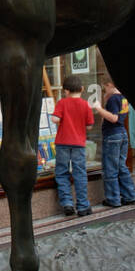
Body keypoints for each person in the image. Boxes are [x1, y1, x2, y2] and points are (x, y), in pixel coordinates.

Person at [51, 75, 96, 216]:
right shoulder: (85, 105)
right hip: (79, 144)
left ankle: (67, 203)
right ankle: (83, 206)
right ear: (82, 89)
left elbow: (54, 119)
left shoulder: (62, 103)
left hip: (62, 143)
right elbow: (89, 126)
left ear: (65, 91)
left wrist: (59, 119)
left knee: (62, 173)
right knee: (80, 174)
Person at [93, 78, 135, 208]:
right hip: (122, 133)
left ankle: (113, 198)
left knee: (110, 168)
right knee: (121, 166)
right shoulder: (123, 98)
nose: (104, 90)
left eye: (105, 87)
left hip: (112, 135)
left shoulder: (114, 99)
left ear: (110, 85)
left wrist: (99, 108)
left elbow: (114, 118)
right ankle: (130, 195)